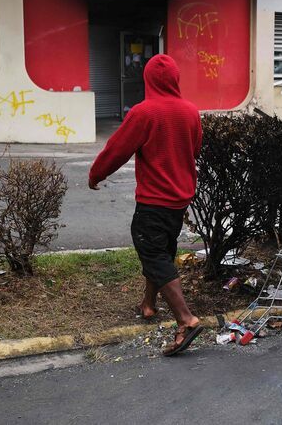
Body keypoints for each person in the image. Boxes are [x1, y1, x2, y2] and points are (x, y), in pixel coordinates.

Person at [89, 54, 204, 356]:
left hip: (154, 200)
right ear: (176, 79)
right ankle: (148, 304)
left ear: (148, 79)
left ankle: (186, 319)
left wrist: (96, 174)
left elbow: (117, 149)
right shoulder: (191, 111)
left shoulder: (145, 112)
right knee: (162, 252)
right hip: (179, 200)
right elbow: (194, 149)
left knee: (153, 254)